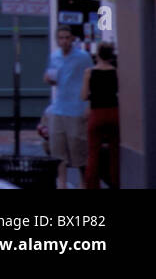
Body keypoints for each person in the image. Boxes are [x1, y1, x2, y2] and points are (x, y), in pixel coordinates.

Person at [45, 25, 94, 189]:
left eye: (67, 37)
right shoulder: (55, 56)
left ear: (72, 39)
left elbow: (91, 80)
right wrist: (49, 79)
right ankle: (62, 183)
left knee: (79, 148)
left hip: (77, 108)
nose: (64, 41)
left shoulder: (83, 57)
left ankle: (83, 183)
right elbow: (54, 77)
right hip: (59, 107)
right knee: (58, 150)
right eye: (61, 38)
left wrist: (88, 104)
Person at [82, 42, 118, 189]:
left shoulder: (89, 72)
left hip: (96, 112)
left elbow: (84, 96)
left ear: (97, 55)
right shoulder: (116, 71)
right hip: (113, 111)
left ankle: (92, 185)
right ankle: (116, 182)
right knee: (114, 151)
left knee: (93, 152)